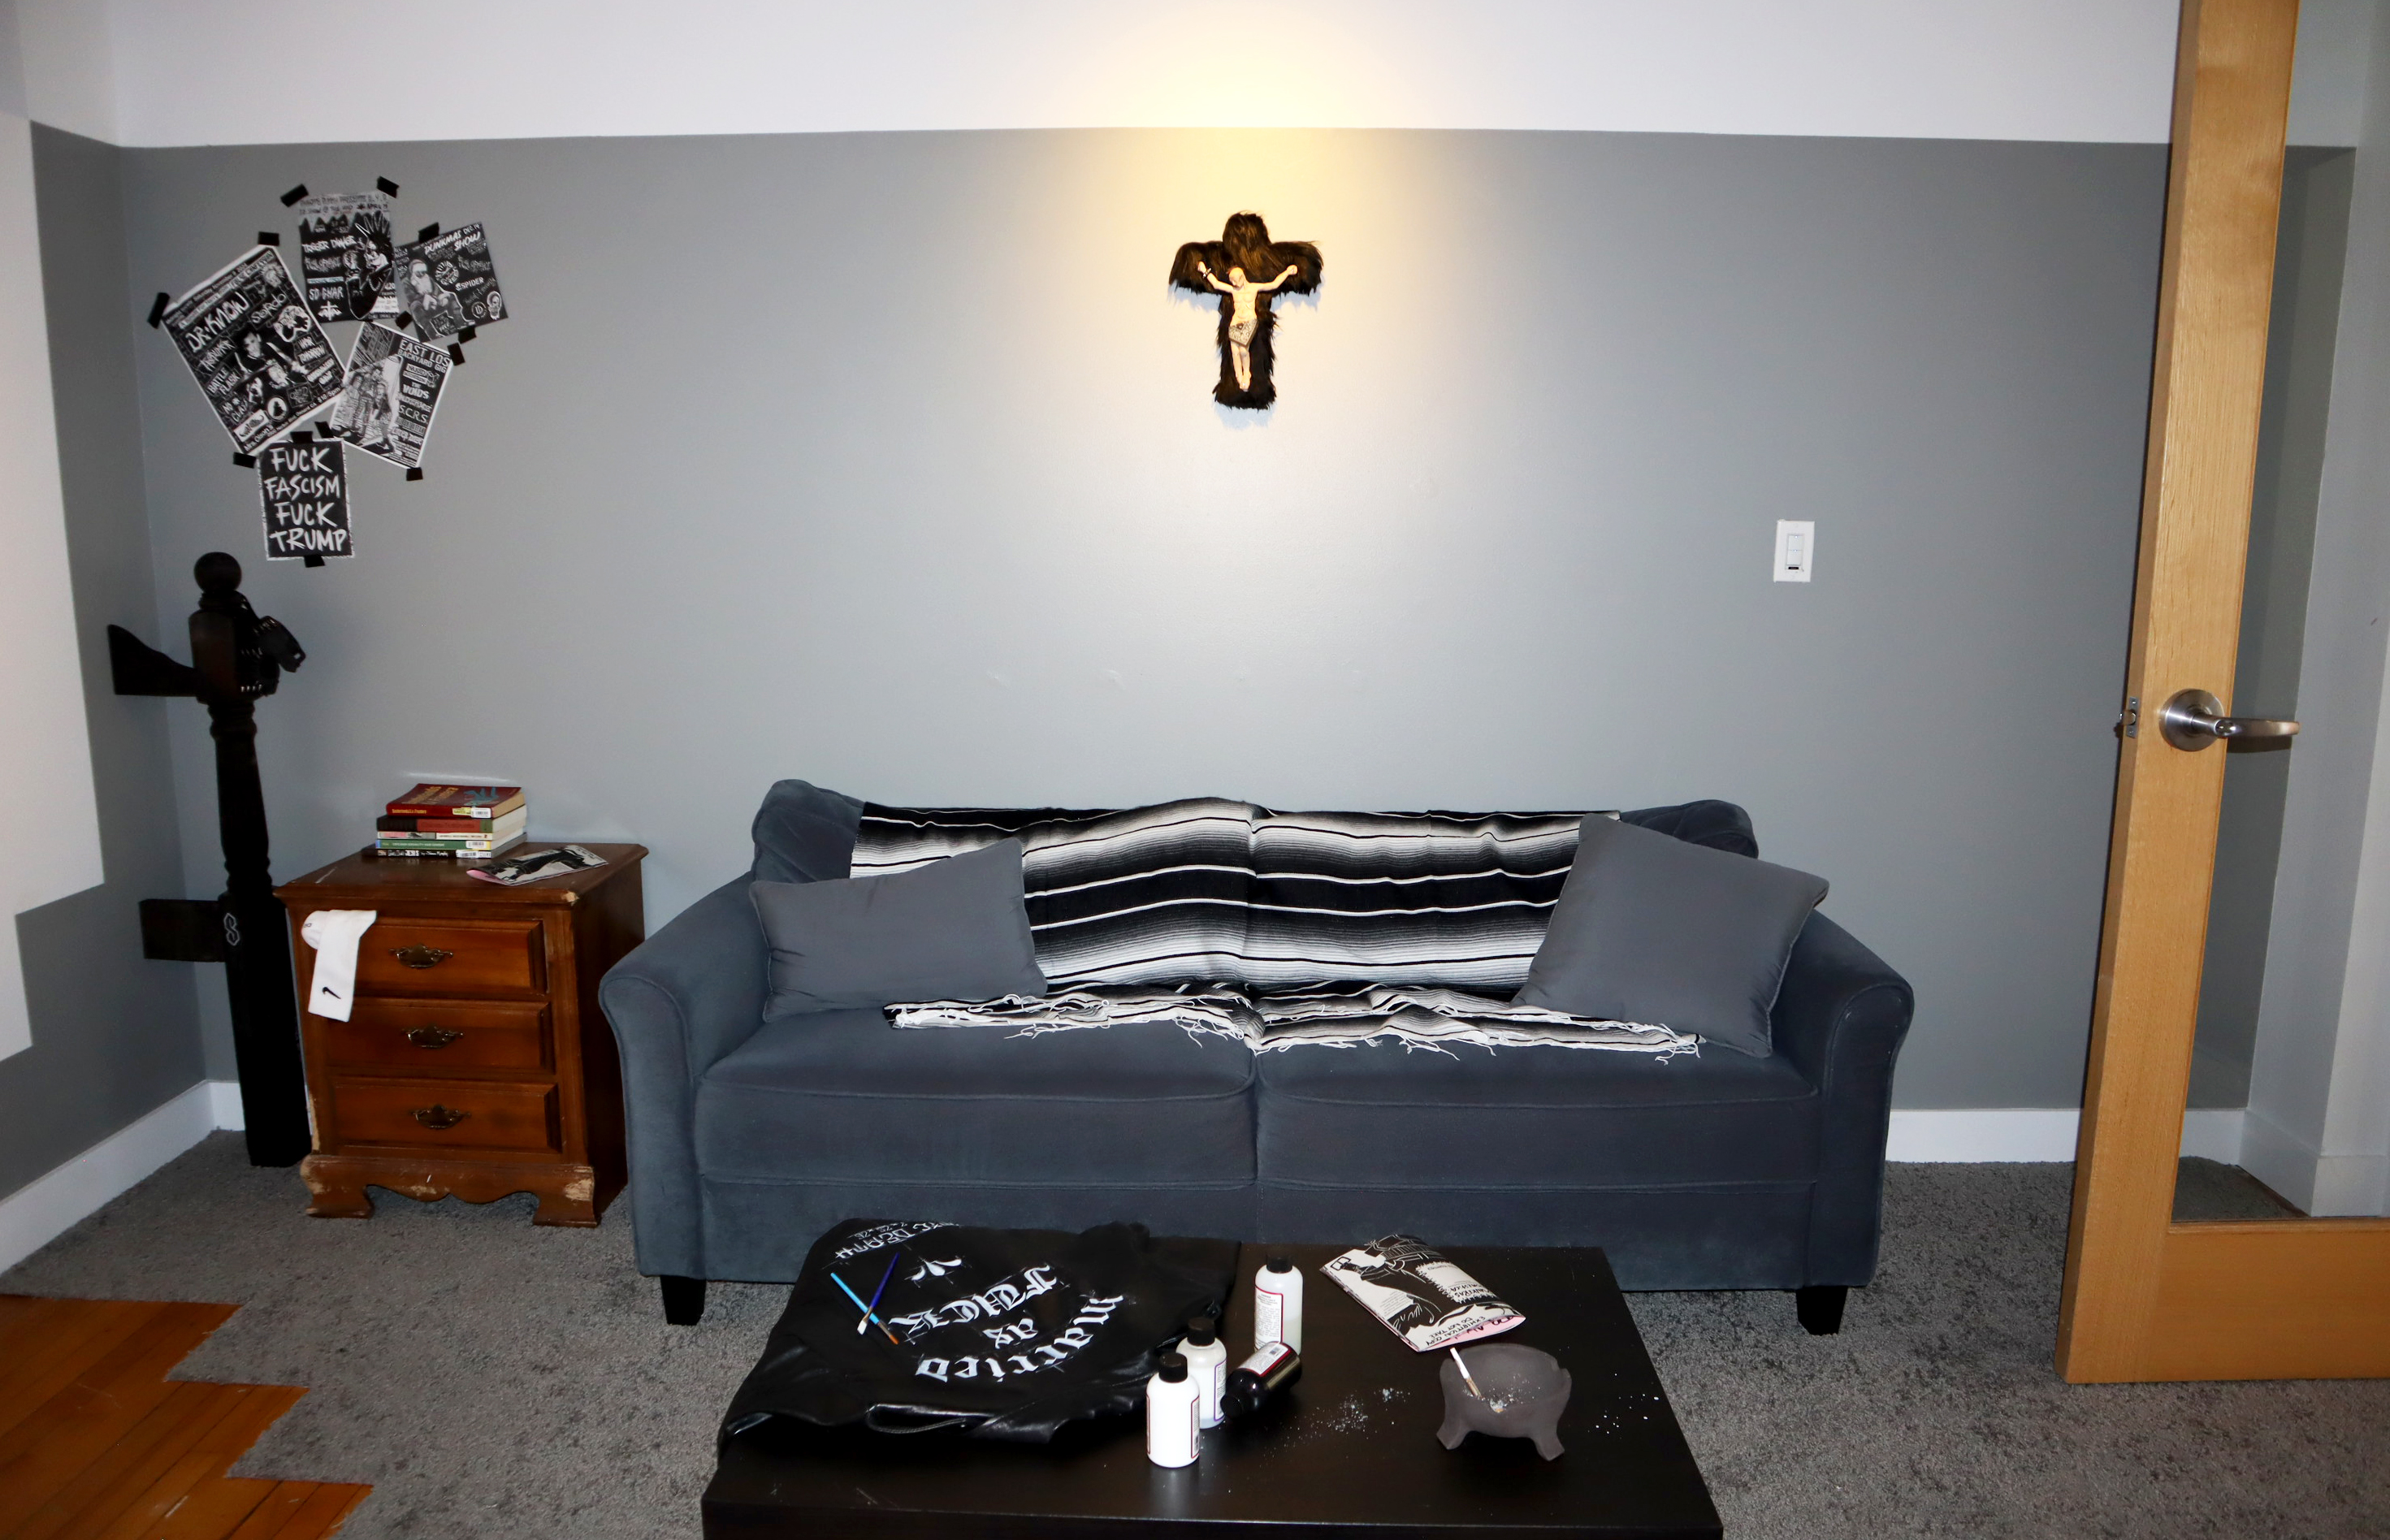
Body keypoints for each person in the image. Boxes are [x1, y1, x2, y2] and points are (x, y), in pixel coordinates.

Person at [1195, 258, 1299, 394]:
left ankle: (1246, 374)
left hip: (1249, 321)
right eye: (1231, 281)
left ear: (1242, 277)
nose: (1233, 284)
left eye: (1235, 281)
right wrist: (1204, 270)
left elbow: (1274, 284)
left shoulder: (1254, 288)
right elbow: (1216, 284)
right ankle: (1239, 376)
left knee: (1243, 351)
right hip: (1236, 321)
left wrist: (1287, 272)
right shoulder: (1234, 290)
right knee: (1235, 351)